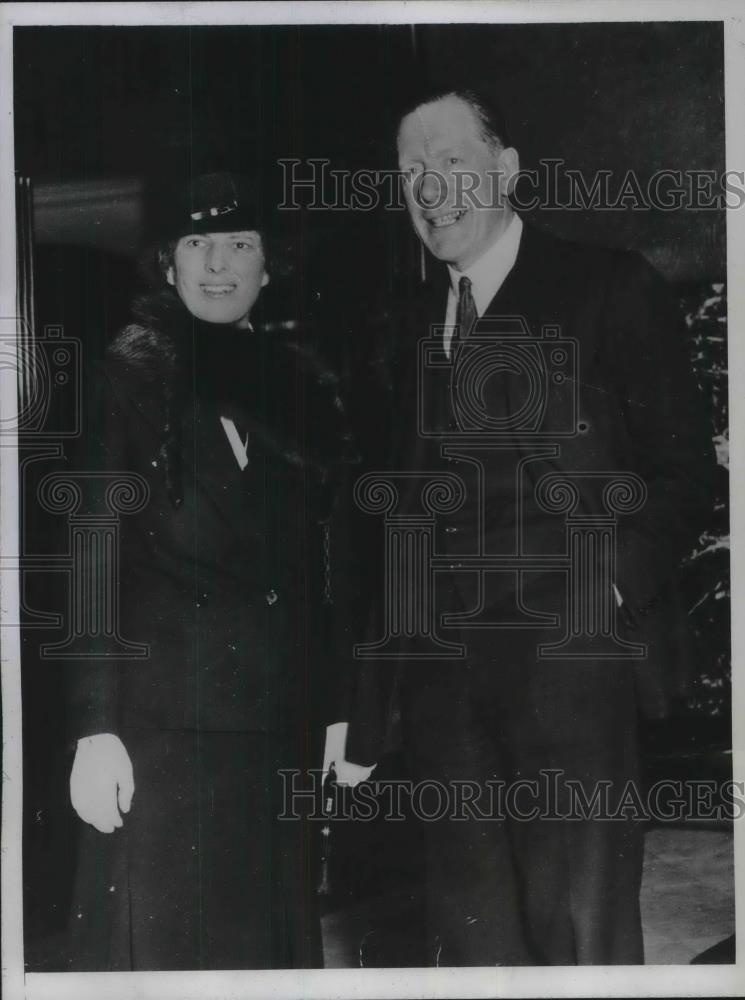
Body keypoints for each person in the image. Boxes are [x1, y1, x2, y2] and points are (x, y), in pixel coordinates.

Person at [328, 87, 716, 965]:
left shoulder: (608, 287)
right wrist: (365, 706)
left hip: (570, 670)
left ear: (505, 171)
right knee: (472, 948)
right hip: (441, 693)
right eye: (411, 173)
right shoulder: (398, 331)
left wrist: (608, 580)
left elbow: (685, 471)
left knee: (579, 934)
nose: (431, 188)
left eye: (451, 162)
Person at [66, 171, 355, 970]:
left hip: (275, 729)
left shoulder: (298, 386)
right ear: (166, 263)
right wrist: (94, 729)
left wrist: (336, 711)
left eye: (240, 242)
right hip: (163, 732)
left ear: (270, 265)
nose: (218, 262)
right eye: (196, 242)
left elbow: (322, 570)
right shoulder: (126, 378)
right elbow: (91, 559)